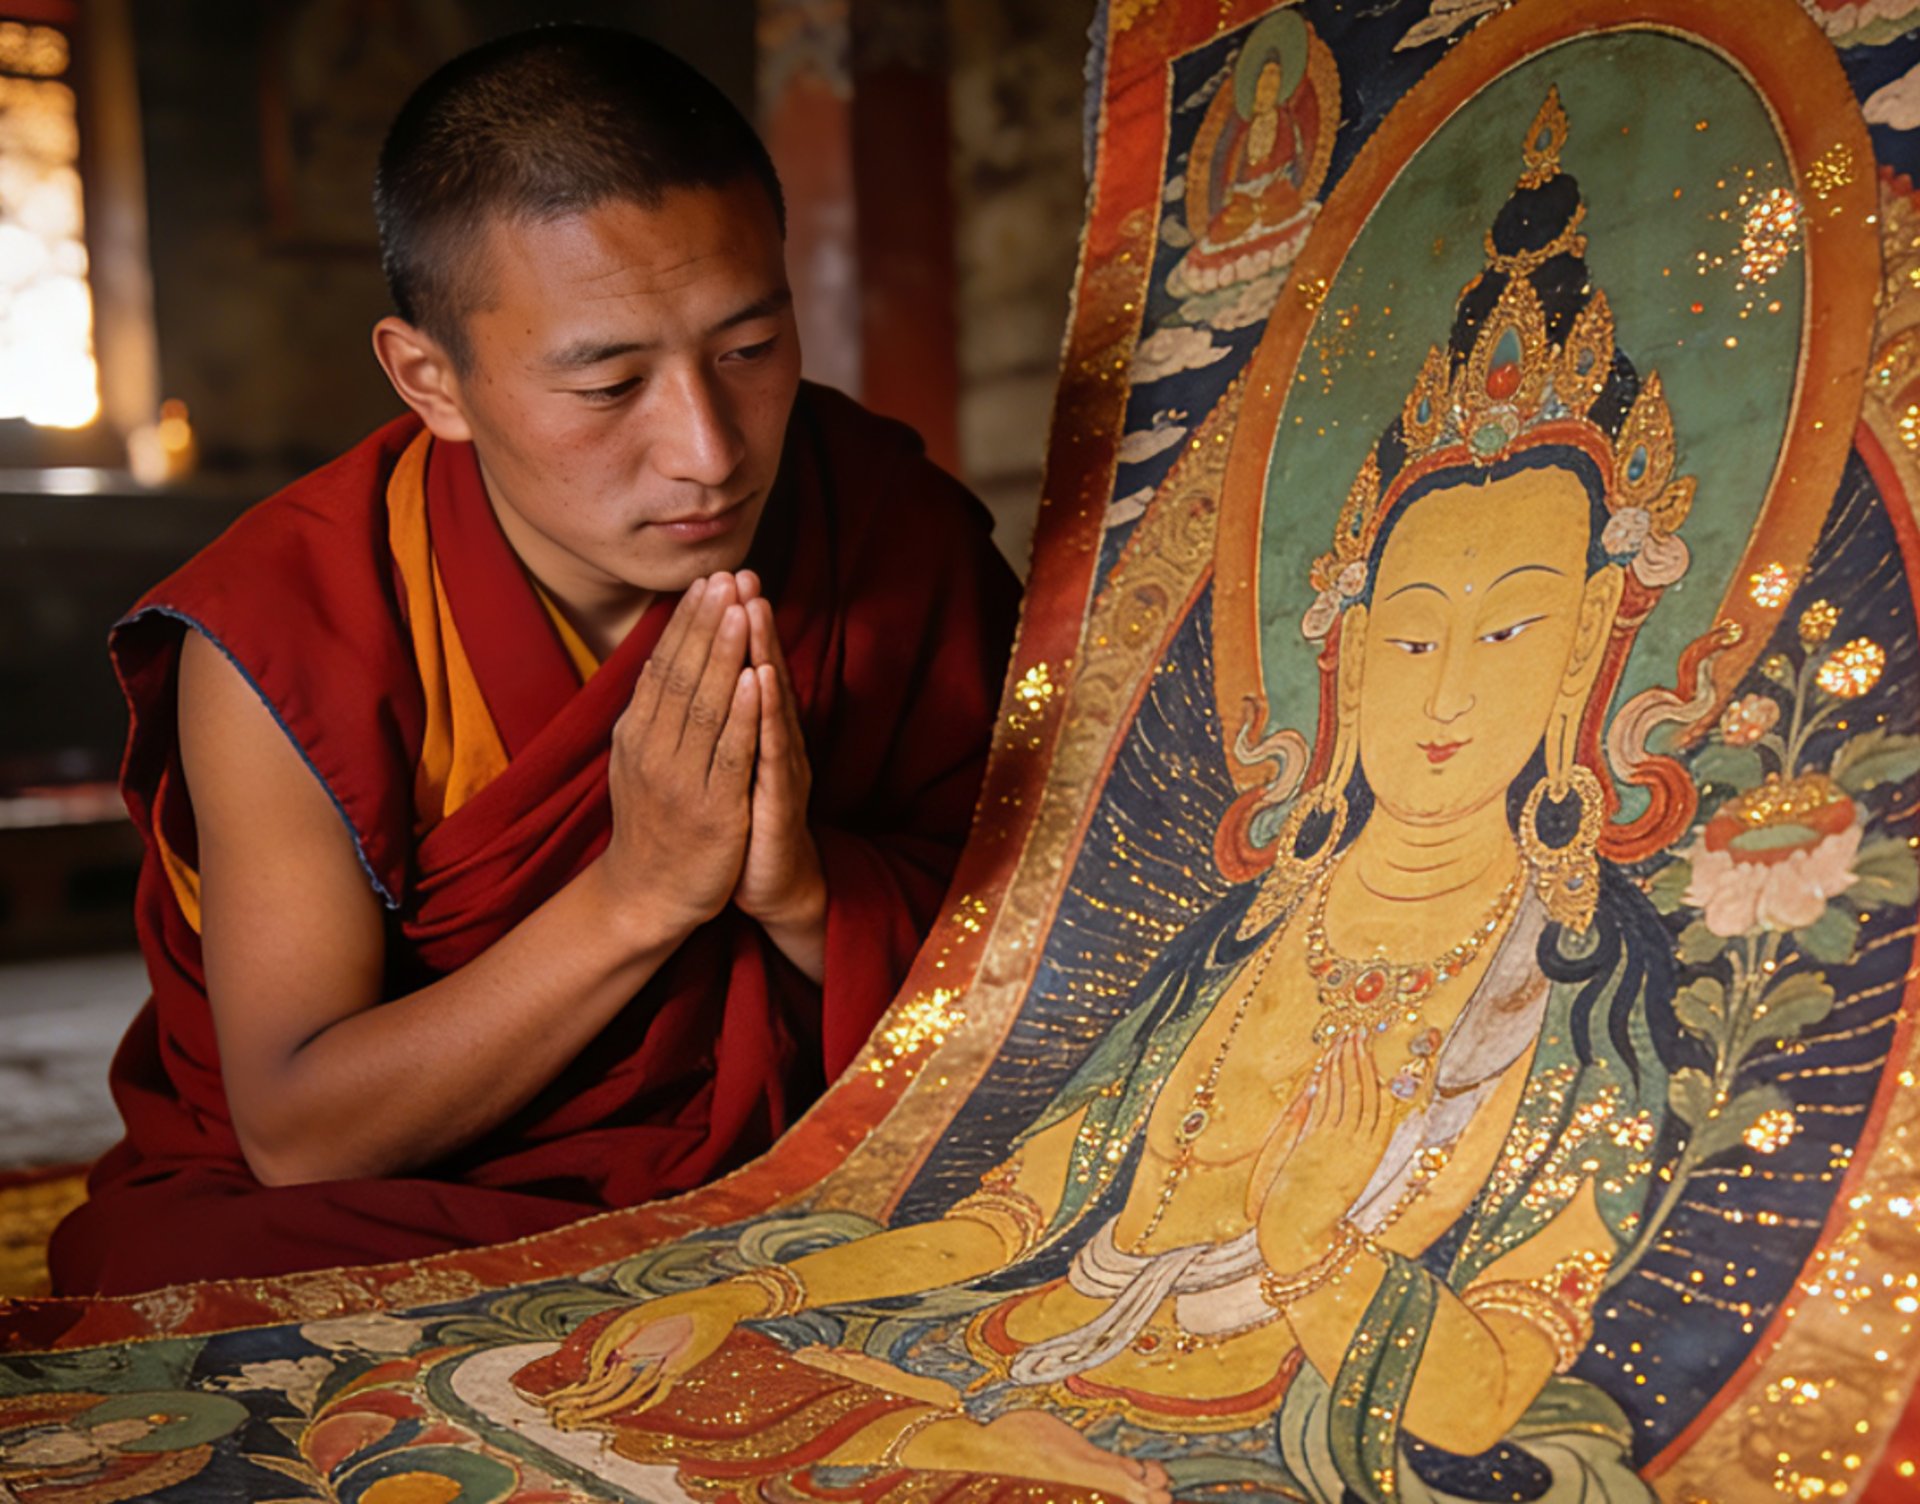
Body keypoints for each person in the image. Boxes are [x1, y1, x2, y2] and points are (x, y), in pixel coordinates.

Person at [511, 91, 1691, 1504]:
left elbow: (1502, 1397)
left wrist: (1323, 1249)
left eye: (1507, 634)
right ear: (1344, 642)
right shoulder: (1241, 939)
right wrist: (752, 1306)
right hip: (1010, 1354)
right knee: (570, 1389)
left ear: (1592, 650)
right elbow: (1006, 1213)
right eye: (1412, 631)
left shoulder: (1590, 1001)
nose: (1441, 695)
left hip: (1235, 1419)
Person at [49, 26, 1021, 1296]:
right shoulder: (292, 628)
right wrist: (641, 894)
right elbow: (298, 1133)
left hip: (822, 1156)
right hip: (428, 1200)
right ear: (431, 379)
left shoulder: (889, 527)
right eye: (610, 385)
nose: (710, 450)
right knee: (187, 1280)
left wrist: (805, 895)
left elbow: (1076, 961)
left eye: (748, 350)